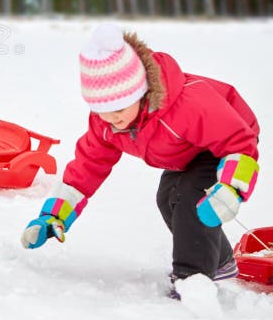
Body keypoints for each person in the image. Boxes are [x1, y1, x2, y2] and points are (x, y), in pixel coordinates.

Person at [20, 23, 260, 298]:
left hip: (226, 143)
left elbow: (239, 143)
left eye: (119, 109)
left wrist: (231, 188)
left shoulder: (187, 105)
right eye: (101, 110)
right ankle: (220, 261)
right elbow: (86, 169)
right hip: (185, 155)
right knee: (166, 197)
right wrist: (53, 216)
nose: (112, 118)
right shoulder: (107, 124)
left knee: (190, 197)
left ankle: (192, 280)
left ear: (140, 93)